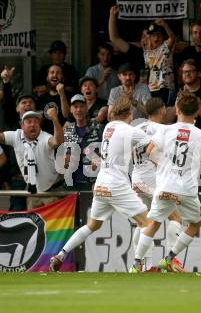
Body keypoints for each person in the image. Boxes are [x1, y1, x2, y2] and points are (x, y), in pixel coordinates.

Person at [49, 96, 150, 272]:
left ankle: (60, 255)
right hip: (116, 185)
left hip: (101, 184)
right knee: (147, 223)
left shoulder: (108, 128)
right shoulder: (128, 129)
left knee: (92, 225)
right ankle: (138, 265)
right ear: (130, 113)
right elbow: (154, 144)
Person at [130, 91, 201, 273]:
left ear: (176, 109)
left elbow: (150, 151)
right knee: (195, 223)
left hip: (164, 186)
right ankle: (169, 259)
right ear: (197, 112)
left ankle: (136, 265)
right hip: (186, 189)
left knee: (152, 223)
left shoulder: (166, 130)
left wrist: (166, 164)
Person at [131, 97, 183, 271]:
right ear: (162, 110)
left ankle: (144, 267)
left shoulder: (135, 128)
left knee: (143, 223)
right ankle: (172, 261)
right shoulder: (164, 129)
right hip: (153, 180)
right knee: (175, 217)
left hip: (136, 178)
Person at [0, 109, 64, 209]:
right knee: (34, 223)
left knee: (55, 224)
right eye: (29, 122)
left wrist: (55, 119)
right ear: (22, 125)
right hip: (33, 193)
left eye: (36, 121)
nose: (33, 124)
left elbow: (58, 141)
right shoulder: (16, 136)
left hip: (52, 192)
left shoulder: (45, 137)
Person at [63, 94, 103, 191]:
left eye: (81, 106)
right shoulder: (69, 130)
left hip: (94, 181)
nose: (78, 110)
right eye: (75, 107)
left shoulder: (98, 128)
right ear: (71, 110)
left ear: (86, 108)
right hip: (73, 181)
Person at [143, 19, 176, 106]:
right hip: (151, 88)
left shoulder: (165, 46)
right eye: (153, 35)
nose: (156, 38)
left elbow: (172, 37)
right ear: (149, 37)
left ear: (163, 36)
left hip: (165, 86)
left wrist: (165, 25)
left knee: (163, 112)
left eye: (159, 35)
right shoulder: (146, 52)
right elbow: (146, 71)